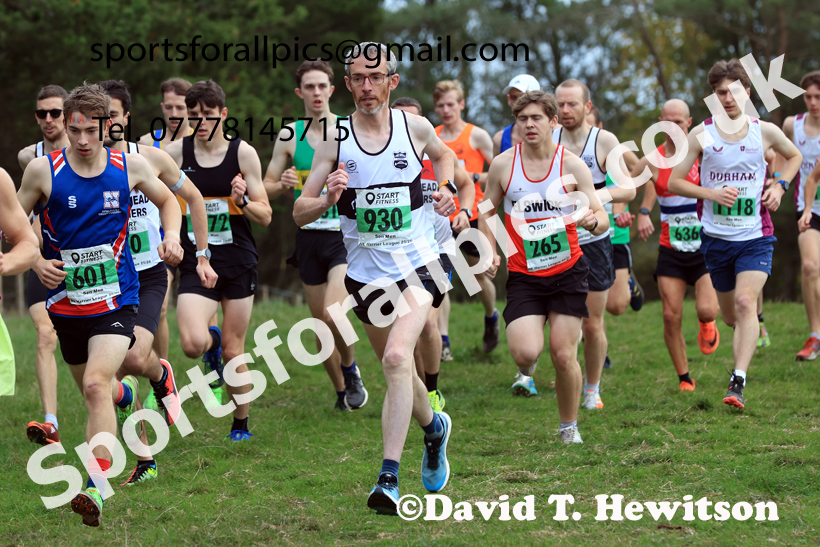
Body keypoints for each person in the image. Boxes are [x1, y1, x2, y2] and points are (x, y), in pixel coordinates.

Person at [293, 42, 456, 514]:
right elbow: (300, 213)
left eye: (375, 77)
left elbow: (444, 158)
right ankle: (434, 429)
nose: (367, 86)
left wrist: (443, 189)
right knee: (395, 365)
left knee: (397, 358)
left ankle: (388, 477)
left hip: (421, 263)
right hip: (367, 278)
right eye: (358, 79)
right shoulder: (334, 141)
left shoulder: (415, 126)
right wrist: (326, 200)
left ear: (392, 81)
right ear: (348, 85)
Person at [17, 83, 184, 526]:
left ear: (106, 126)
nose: (84, 140)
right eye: (75, 132)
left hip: (117, 298)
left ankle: (95, 486)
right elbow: (15, 226)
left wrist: (171, 235)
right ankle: (128, 393)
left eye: (91, 130)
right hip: (66, 302)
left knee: (94, 386)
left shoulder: (128, 166)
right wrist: (36, 261)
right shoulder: (42, 171)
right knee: (103, 390)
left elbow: (170, 201)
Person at [98, 79, 215, 482]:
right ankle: (145, 460)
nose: (103, 123)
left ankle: (160, 375)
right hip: (101, 280)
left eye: (111, 115)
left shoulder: (150, 159)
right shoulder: (76, 167)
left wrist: (197, 253)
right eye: (96, 117)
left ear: (125, 118)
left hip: (149, 273)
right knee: (104, 378)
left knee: (130, 359)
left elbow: (193, 199)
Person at [668, 59, 802, 410]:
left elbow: (794, 156)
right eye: (719, 92)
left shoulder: (765, 131)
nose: (727, 98)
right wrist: (711, 194)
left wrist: (780, 186)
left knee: (745, 303)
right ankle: (744, 331)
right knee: (729, 316)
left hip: (755, 235)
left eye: (733, 90)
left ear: (747, 91)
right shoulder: (702, 133)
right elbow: (674, 181)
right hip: (715, 238)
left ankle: (738, 381)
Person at [480, 90, 609, 443]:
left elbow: (601, 216)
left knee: (564, 355)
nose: (529, 125)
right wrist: (491, 251)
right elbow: (487, 209)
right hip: (524, 276)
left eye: (537, 118)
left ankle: (569, 428)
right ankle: (528, 365)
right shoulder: (505, 164)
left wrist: (591, 223)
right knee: (525, 353)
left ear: (553, 122)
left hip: (568, 271)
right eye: (522, 119)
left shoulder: (571, 165)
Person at [165, 79, 272, 441]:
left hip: (238, 259)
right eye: (193, 116)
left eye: (208, 115)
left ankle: (240, 423)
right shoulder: (177, 153)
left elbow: (266, 215)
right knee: (193, 344)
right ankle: (208, 347)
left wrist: (242, 201)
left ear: (223, 114)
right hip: (197, 260)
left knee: (233, 347)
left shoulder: (243, 154)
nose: (201, 122)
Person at [264, 60, 367, 411]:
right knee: (320, 327)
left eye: (323, 85)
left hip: (344, 233)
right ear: (300, 93)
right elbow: (266, 185)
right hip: (308, 235)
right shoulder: (289, 135)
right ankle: (342, 393)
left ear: (333, 90)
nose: (317, 92)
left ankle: (351, 369)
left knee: (333, 313)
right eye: (310, 87)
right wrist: (282, 184)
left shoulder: (348, 129)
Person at [550, 79, 636, 407]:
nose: (565, 110)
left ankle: (592, 389)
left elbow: (628, 190)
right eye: (560, 104)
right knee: (559, 315)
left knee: (592, 320)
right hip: (558, 239)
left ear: (588, 107)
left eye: (572, 104)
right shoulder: (548, 139)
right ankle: (564, 372)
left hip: (595, 240)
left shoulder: (603, 141)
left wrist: (596, 196)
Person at [392, 96, 475, 413]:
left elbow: (466, 185)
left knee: (426, 323)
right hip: (396, 254)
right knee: (405, 327)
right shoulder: (386, 163)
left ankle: (431, 390)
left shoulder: (440, 158)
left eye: (413, 121)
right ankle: (410, 386)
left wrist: (464, 211)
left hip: (437, 252)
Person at [633, 99, 720, 391]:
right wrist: (625, 210)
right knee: (671, 315)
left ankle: (707, 323)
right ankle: (685, 378)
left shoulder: (706, 149)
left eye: (679, 123)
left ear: (689, 122)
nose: (673, 129)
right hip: (671, 248)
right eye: (666, 123)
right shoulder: (652, 160)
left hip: (706, 245)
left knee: (707, 309)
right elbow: (624, 185)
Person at [18, 84, 70, 445]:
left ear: (68, 115)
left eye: (55, 113)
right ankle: (50, 423)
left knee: (90, 349)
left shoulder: (87, 152)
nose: (48, 120)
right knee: (45, 334)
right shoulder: (29, 157)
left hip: (82, 263)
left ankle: (121, 394)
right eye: (42, 114)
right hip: (41, 260)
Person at [433, 80, 497, 356]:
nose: (446, 110)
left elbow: (500, 171)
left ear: (462, 104)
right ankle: (444, 340)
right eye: (440, 105)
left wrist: (472, 177)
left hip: (472, 214)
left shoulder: (477, 136)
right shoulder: (431, 136)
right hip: (439, 217)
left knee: (478, 274)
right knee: (438, 278)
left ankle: (491, 316)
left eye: (451, 104)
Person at [139, 77, 194, 364]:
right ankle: (162, 371)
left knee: (205, 303)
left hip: (198, 226)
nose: (174, 113)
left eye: (180, 107)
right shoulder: (148, 144)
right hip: (164, 228)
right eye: (168, 107)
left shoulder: (203, 138)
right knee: (160, 308)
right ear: (161, 107)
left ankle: (214, 353)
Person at [783, 71, 820, 360]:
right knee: (809, 267)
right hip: (808, 206)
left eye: (818, 97)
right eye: (808, 96)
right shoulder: (791, 125)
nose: (813, 102)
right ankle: (814, 336)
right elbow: (783, 155)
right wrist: (778, 181)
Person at [493, 75, 542, 156]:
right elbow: (495, 168)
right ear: (508, 99)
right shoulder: (500, 139)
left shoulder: (557, 133)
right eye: (513, 97)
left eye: (524, 97)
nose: (518, 102)